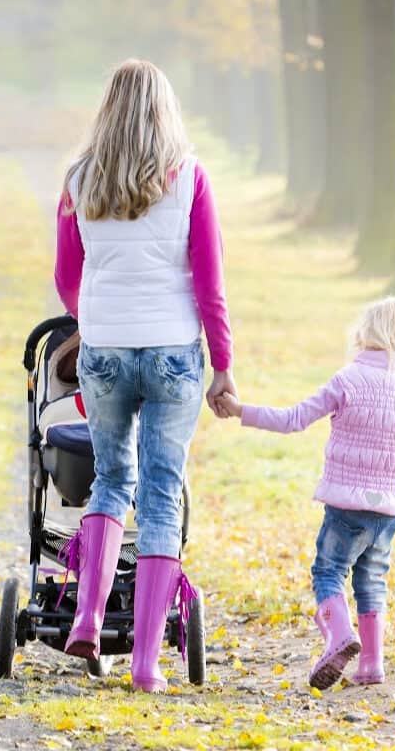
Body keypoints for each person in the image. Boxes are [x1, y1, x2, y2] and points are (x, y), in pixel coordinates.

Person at [53, 59, 234, 693]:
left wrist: (94, 316)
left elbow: (66, 279)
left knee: (110, 479)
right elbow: (209, 283)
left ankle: (88, 616)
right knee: (160, 490)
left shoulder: (79, 179)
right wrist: (224, 366)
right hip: (174, 353)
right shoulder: (190, 177)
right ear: (165, 111)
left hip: (104, 348)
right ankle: (147, 664)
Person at [215, 296, 395, 688]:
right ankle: (371, 665)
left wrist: (240, 410)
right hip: (388, 512)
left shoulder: (347, 380)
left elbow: (293, 419)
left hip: (345, 506)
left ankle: (337, 637)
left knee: (329, 572)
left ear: (365, 334)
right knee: (372, 581)